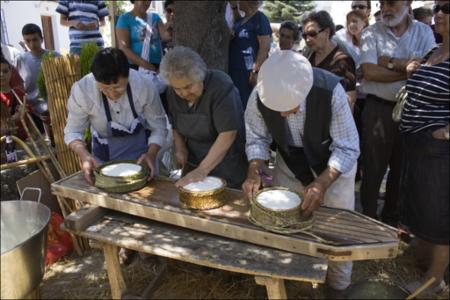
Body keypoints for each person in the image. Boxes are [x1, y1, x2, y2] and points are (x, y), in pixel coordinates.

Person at [242, 50, 359, 296]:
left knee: (336, 235)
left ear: (303, 92)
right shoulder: (259, 94)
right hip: (291, 163)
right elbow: (257, 138)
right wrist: (255, 170)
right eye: (277, 109)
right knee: (288, 226)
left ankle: (337, 289)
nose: (282, 115)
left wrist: (322, 183)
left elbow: (347, 147)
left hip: (333, 166)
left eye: (288, 108)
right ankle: (298, 284)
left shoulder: (329, 92)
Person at [359, 0, 435, 226]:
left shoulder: (424, 32)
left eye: (391, 2)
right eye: (382, 3)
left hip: (411, 110)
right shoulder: (370, 32)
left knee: (402, 169)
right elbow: (369, 72)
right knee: (373, 168)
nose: (385, 8)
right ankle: (368, 221)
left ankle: (391, 220)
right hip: (377, 109)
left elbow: (427, 69)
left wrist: (389, 62)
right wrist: (405, 67)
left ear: (408, 3)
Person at [399, 0, 449, 295]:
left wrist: (445, 133)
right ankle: (426, 263)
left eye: (448, 9)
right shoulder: (435, 50)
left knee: (439, 214)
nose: (440, 13)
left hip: (438, 150)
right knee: (422, 207)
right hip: (416, 143)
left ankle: (435, 279)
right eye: (439, 7)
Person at [64, 48, 168, 185]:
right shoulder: (82, 90)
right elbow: (73, 131)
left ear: (128, 75)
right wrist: (84, 155)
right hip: (103, 160)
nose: (112, 94)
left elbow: (159, 127)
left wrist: (152, 154)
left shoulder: (144, 86)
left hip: (142, 158)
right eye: (105, 89)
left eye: (118, 88)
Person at [160, 46, 248, 189]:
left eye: (188, 87)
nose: (183, 93)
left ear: (200, 76)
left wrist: (202, 170)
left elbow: (228, 134)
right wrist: (180, 147)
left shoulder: (220, 86)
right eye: (177, 88)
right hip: (194, 161)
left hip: (227, 164)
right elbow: (175, 123)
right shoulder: (172, 93)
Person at [301, 11, 357, 110]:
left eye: (312, 34)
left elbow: (350, 99)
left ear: (327, 32)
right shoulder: (307, 54)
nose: (308, 39)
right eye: (305, 35)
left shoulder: (343, 61)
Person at [16, 23, 60, 137]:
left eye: (35, 39)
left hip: (56, 109)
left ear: (42, 39)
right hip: (32, 113)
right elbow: (19, 87)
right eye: (28, 40)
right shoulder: (21, 59)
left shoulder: (55, 56)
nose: (32, 44)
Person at [229, 0, 272, 109]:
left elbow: (265, 47)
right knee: (236, 102)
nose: (238, 2)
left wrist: (255, 71)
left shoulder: (260, 18)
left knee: (246, 104)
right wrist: (234, 7)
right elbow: (237, 22)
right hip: (235, 69)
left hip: (248, 72)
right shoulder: (243, 19)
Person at [116, 0, 169, 72]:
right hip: (137, 68)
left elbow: (166, 37)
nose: (147, 3)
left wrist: (170, 23)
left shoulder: (155, 17)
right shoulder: (124, 19)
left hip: (159, 67)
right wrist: (151, 67)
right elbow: (124, 48)